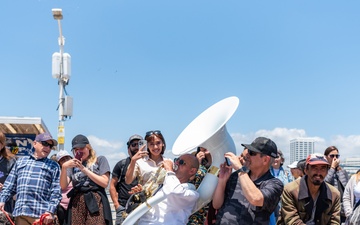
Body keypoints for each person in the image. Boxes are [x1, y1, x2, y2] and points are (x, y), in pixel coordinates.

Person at [213, 137, 284, 225]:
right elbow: (216, 205)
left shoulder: (274, 184)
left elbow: (256, 199)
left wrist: (240, 169)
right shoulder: (236, 176)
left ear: (265, 160)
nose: (247, 155)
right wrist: (222, 181)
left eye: (252, 153)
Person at [0, 132, 61, 225]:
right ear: (35, 143)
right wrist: (2, 200)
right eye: (45, 143)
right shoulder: (20, 162)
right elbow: (9, 186)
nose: (48, 148)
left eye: (50, 146)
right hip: (20, 214)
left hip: (41, 216)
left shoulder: (54, 166)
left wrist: (50, 212)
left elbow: (56, 191)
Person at [60, 134, 112, 225]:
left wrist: (84, 169)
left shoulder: (99, 160)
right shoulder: (72, 165)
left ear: (88, 147)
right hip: (77, 201)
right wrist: (64, 168)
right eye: (76, 150)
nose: (79, 151)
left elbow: (104, 182)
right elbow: (63, 186)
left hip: (95, 199)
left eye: (81, 148)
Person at [277, 153, 341, 225]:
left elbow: (334, 222)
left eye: (323, 168)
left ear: (327, 172)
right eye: (314, 168)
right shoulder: (290, 190)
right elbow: (292, 221)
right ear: (306, 170)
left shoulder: (334, 194)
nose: (318, 172)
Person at [137, 153, 200, 225]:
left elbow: (174, 191)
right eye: (176, 160)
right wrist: (141, 193)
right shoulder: (166, 184)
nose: (176, 163)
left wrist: (169, 170)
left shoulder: (192, 194)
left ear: (192, 171)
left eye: (181, 162)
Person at [109, 134, 143, 225]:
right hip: (124, 208)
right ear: (128, 149)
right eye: (133, 144)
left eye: (139, 144)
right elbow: (112, 185)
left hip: (143, 208)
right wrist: (117, 206)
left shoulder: (148, 165)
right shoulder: (121, 164)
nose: (136, 147)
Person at [125, 130, 168, 197]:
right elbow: (128, 181)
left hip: (164, 202)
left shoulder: (168, 162)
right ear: (147, 145)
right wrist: (133, 161)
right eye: (152, 144)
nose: (155, 147)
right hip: (147, 203)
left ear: (163, 143)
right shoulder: (140, 162)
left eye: (158, 143)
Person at [324, 146, 349, 223]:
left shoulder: (342, 171)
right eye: (332, 156)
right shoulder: (323, 170)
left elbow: (347, 187)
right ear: (326, 157)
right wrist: (332, 168)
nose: (335, 158)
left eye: (337, 156)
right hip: (328, 207)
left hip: (341, 208)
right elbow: (324, 183)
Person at [187, 147, 211, 225]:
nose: (205, 146)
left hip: (209, 211)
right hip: (193, 210)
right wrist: (196, 163)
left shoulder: (221, 162)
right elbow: (187, 180)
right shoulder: (193, 158)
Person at [0, 132, 16, 213]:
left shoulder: (10, 162)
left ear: (2, 145)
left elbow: (16, 184)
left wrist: (4, 187)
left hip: (5, 204)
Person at [56, 150, 73, 225]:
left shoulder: (77, 169)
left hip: (73, 205)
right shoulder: (57, 173)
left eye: (67, 158)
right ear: (59, 163)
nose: (66, 161)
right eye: (62, 160)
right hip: (61, 206)